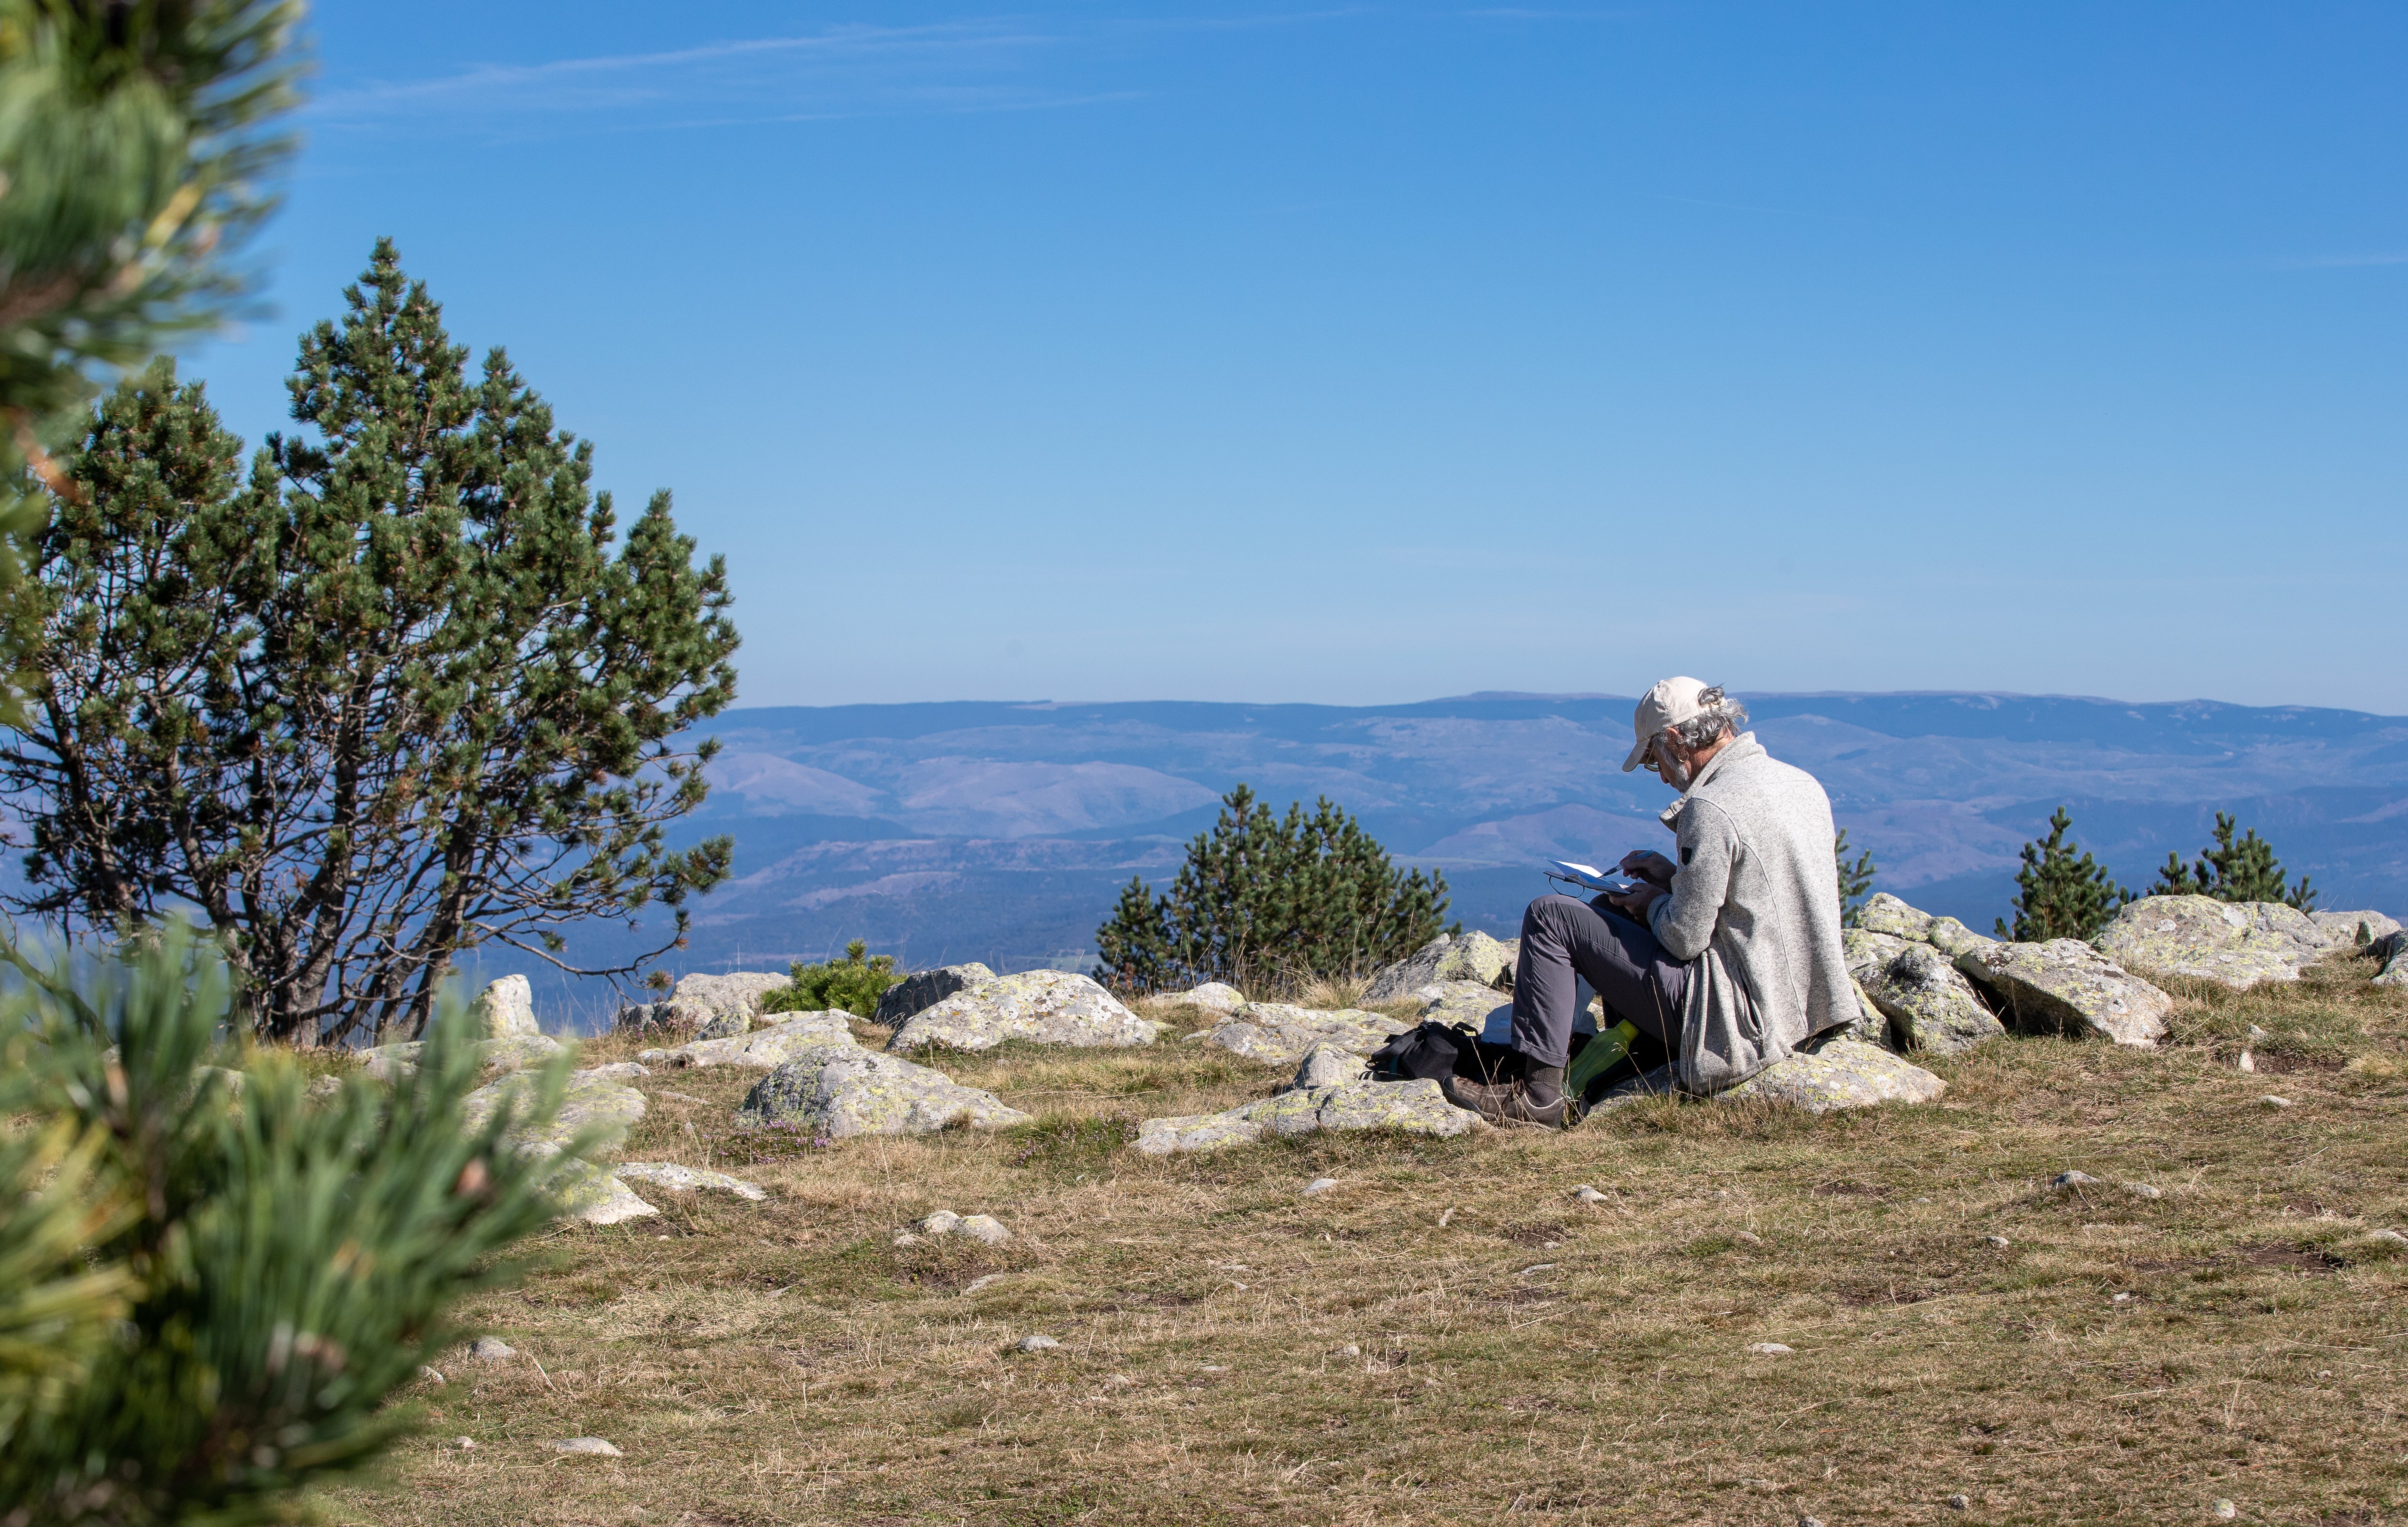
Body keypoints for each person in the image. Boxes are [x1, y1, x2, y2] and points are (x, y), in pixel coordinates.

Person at [1442, 677, 1862, 1126]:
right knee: (1607, 909)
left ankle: (1539, 1097)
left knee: (1551, 916)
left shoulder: (1711, 807)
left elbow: (1684, 937)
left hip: (1737, 1020)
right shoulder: (1799, 783)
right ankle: (1634, 1053)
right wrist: (1672, 878)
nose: (1660, 775)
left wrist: (1651, 906)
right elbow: (1757, 896)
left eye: (1652, 759)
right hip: (1798, 1003)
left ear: (1677, 740)